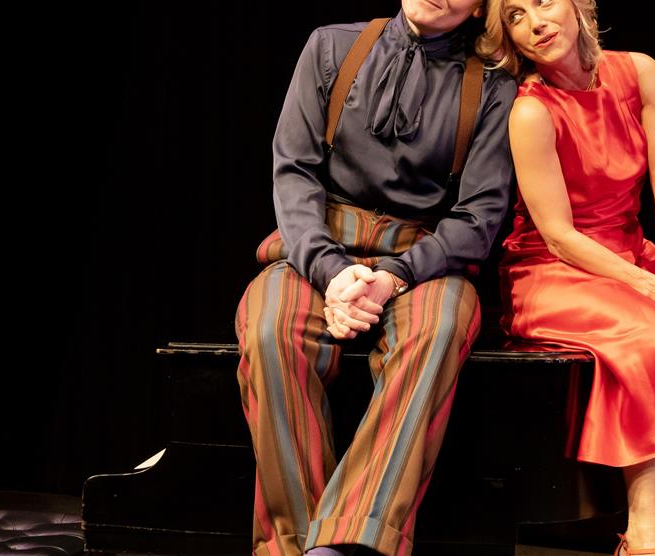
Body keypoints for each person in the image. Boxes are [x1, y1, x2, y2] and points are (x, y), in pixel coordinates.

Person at [234, 2, 517, 555]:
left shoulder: (492, 84)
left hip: (426, 255)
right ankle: (293, 544)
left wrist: (394, 276)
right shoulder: (332, 46)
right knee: (270, 331)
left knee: (434, 334)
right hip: (318, 244)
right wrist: (331, 270)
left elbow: (480, 213)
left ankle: (349, 543)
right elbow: (294, 170)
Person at [476, 0, 655, 554]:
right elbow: (557, 235)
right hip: (554, 272)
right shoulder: (531, 110)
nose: (536, 22)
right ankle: (643, 532)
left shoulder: (639, 71)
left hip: (632, 256)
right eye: (515, 16)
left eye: (546, 3)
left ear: (580, 7)